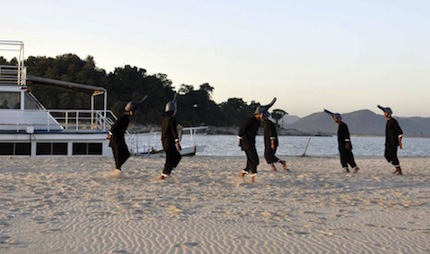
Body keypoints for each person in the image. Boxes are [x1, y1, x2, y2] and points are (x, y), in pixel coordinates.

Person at [238, 98, 276, 182]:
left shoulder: (258, 121)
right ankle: (252, 178)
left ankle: (242, 173)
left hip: (251, 142)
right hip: (246, 142)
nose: (264, 117)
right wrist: (240, 140)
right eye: (263, 114)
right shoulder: (251, 120)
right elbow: (242, 129)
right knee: (254, 160)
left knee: (251, 160)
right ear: (259, 113)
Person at [108, 96, 148, 172]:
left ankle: (117, 168)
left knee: (124, 154)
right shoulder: (124, 118)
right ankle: (117, 169)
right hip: (116, 139)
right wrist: (110, 134)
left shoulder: (126, 117)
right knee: (121, 154)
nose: (135, 112)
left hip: (119, 138)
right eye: (134, 110)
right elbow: (114, 126)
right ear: (131, 110)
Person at [160, 94, 182, 180]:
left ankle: (166, 172)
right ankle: (164, 174)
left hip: (164, 142)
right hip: (170, 142)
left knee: (173, 158)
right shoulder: (172, 119)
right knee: (172, 158)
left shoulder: (164, 120)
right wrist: (177, 142)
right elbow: (173, 131)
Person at [377, 105, 404, 175]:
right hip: (388, 142)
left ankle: (399, 169)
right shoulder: (388, 122)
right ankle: (397, 167)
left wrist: (400, 143)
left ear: (388, 113)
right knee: (386, 155)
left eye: (385, 112)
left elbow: (400, 133)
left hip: (393, 143)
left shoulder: (393, 121)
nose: (384, 114)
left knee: (393, 155)